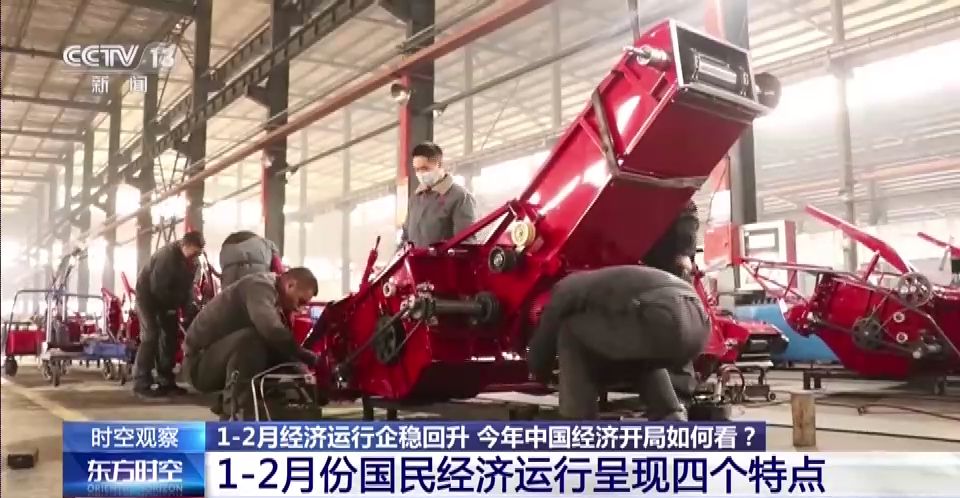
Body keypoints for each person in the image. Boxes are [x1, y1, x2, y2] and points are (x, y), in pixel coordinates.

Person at [527, 265, 711, 420]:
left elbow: (547, 332)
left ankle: (578, 425)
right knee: (635, 351)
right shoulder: (605, 284)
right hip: (699, 324)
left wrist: (539, 372)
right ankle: (670, 416)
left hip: (665, 316)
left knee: (570, 330)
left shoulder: (564, 288)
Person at [182, 268, 320, 420]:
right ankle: (236, 411)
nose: (298, 308)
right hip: (198, 365)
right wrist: (305, 356)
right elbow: (271, 330)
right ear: (290, 285)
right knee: (253, 340)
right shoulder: (260, 287)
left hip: (217, 357)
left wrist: (308, 380)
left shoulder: (275, 296)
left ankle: (253, 400)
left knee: (274, 348)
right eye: (300, 302)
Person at [133, 231, 205, 400]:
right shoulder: (167, 257)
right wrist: (171, 308)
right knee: (151, 335)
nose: (196, 256)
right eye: (194, 252)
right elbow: (158, 287)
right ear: (185, 245)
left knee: (170, 338)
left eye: (199, 253)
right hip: (148, 298)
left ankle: (166, 381)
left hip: (168, 301)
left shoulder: (192, 262)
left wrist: (190, 310)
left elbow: (188, 288)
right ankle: (141, 383)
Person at [642, 200, 702, 398]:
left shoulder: (679, 204)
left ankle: (678, 392)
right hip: (656, 272)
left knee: (675, 328)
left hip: (670, 275)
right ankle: (671, 391)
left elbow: (687, 228)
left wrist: (684, 254)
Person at [400, 142, 479, 248]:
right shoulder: (415, 199)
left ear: (440, 165)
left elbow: (465, 245)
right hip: (415, 259)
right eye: (417, 169)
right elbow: (405, 237)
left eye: (425, 168)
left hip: (442, 259)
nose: (420, 174)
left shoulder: (460, 198)